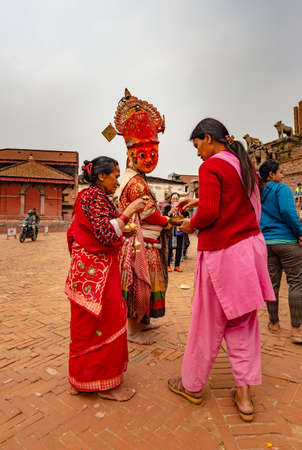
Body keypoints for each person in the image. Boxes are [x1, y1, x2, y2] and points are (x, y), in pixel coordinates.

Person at [167, 118, 275, 422]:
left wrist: (191, 223)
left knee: (207, 322)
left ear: (207, 138)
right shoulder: (245, 166)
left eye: (197, 145)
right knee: (243, 324)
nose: (198, 153)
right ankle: (244, 396)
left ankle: (192, 385)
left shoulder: (211, 166)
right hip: (249, 252)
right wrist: (199, 200)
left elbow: (212, 213)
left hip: (222, 254)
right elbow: (235, 203)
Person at [65, 156, 145, 401]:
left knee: (87, 325)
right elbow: (105, 233)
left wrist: (123, 223)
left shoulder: (94, 197)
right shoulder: (91, 197)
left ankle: (82, 379)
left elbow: (101, 227)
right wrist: (129, 211)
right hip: (95, 272)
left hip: (89, 270)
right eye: (115, 176)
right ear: (101, 176)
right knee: (105, 321)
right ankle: (104, 384)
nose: (117, 181)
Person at [109, 89, 177, 345]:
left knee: (143, 284)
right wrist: (168, 221)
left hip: (142, 240)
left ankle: (141, 323)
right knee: (141, 284)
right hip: (141, 242)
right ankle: (135, 328)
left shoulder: (131, 178)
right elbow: (149, 212)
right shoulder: (135, 182)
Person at [259, 160, 302, 343]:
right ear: (271, 175)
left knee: (272, 284)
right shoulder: (282, 189)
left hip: (267, 243)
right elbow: (287, 211)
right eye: (280, 172)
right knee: (296, 283)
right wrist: (300, 232)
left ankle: (274, 323)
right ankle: (297, 329)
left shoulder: (258, 192)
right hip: (287, 241)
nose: (282, 175)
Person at [163, 192, 188, 272]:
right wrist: (170, 212)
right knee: (169, 248)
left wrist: (180, 212)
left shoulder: (182, 208)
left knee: (179, 248)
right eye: (173, 198)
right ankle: (168, 265)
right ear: (171, 200)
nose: (175, 200)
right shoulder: (167, 207)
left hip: (179, 229)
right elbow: (164, 217)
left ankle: (177, 266)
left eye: (177, 199)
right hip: (170, 229)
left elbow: (186, 215)